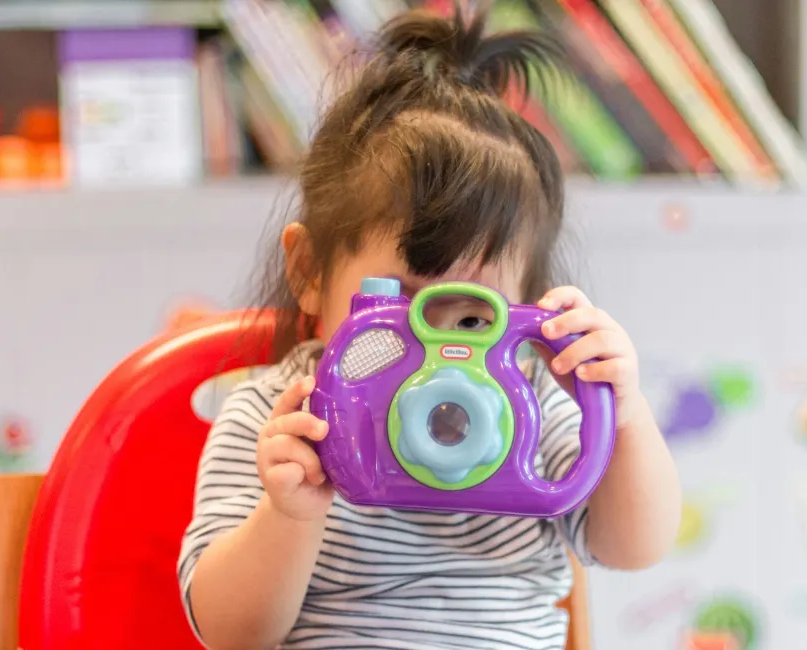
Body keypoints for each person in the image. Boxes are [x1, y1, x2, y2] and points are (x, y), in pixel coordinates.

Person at [177, 7, 682, 649]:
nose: (438, 357)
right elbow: (229, 633)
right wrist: (288, 514)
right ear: (309, 271)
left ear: (526, 308)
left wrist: (624, 414)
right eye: (399, 310)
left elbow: (634, 547)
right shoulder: (276, 421)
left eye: (475, 319)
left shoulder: (527, 406)